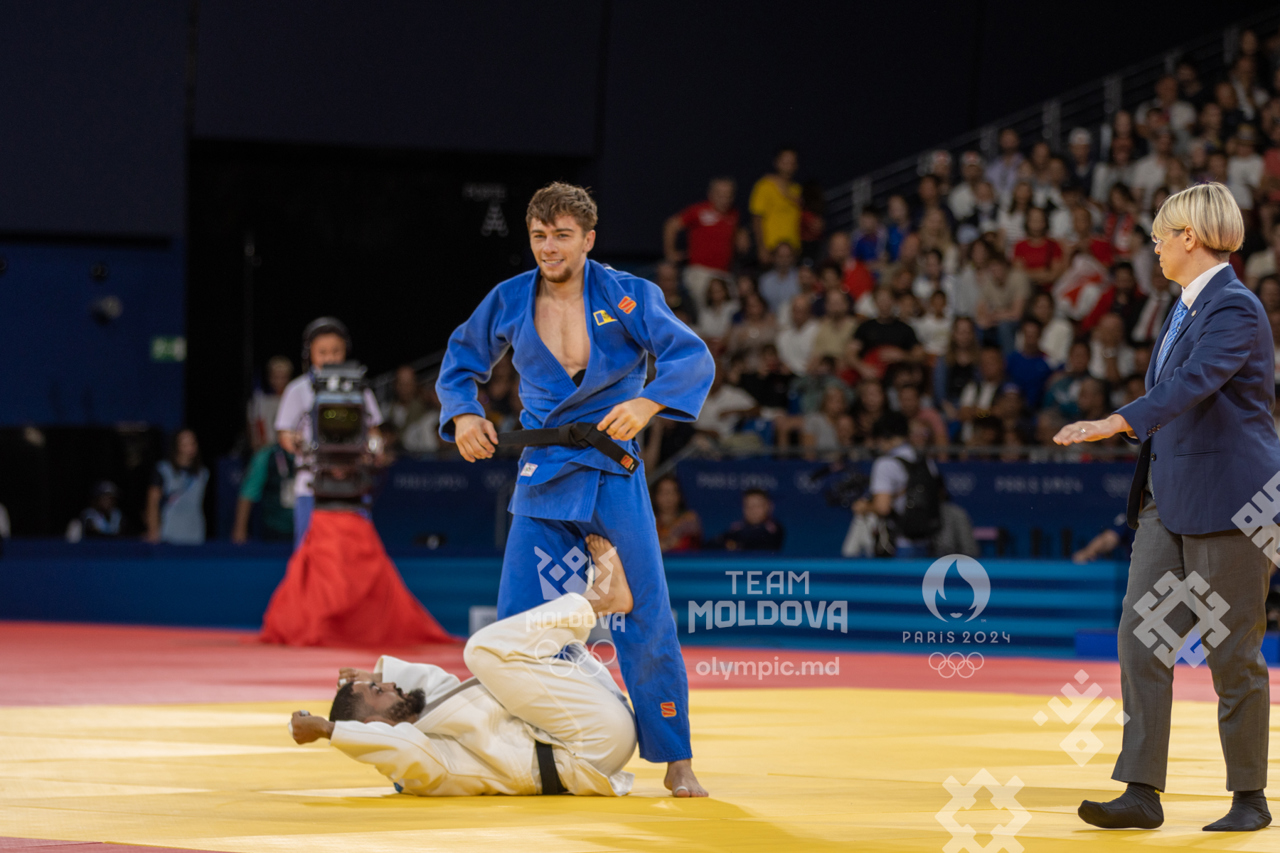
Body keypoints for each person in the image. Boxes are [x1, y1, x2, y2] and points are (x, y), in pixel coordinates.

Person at [436, 182, 713, 797]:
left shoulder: (630, 295)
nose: (549, 247)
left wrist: (647, 401)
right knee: (517, 624)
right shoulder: (509, 299)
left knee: (643, 613)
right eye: (539, 236)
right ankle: (515, 746)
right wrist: (463, 414)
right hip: (543, 473)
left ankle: (676, 759)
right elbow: (460, 361)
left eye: (562, 235)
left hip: (613, 469)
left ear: (589, 239)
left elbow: (691, 358)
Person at [1056, 182, 1278, 832]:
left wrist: (1115, 421)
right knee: (1139, 636)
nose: (1152, 242)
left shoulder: (1234, 306)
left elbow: (1191, 384)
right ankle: (1141, 788)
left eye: (1162, 232)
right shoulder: (1177, 308)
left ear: (1192, 236)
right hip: (1169, 499)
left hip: (1232, 504)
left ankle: (1249, 797)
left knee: (1231, 650)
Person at [289, 539, 638, 796]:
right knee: (483, 652)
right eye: (380, 693)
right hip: (591, 745)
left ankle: (596, 601)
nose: (391, 686)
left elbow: (439, 686)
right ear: (376, 725)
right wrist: (327, 729)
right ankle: (600, 601)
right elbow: (403, 749)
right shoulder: (421, 770)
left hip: (592, 731)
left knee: (513, 655)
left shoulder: (432, 722)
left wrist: (375, 678)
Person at [275, 318, 383, 548]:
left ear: (346, 351)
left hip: (353, 481)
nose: (329, 357)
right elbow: (284, 433)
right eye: (322, 352)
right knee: (309, 551)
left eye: (336, 351)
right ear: (309, 354)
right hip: (311, 484)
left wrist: (375, 448)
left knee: (358, 552)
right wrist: (296, 443)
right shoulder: (297, 389)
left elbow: (374, 431)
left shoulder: (360, 387)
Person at [867, 412, 939, 557]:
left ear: (884, 437)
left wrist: (864, 507)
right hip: (928, 542)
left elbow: (882, 507)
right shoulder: (925, 461)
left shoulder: (885, 464)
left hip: (900, 544)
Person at [664, 177, 738, 310]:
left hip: (725, 274)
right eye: (720, 194)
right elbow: (671, 225)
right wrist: (670, 252)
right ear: (711, 194)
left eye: (728, 195)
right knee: (704, 310)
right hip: (700, 273)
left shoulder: (733, 215)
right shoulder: (699, 211)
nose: (725, 199)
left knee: (732, 309)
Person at [145, 428, 208, 545]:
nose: (190, 447)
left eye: (192, 443)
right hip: (168, 535)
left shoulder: (203, 474)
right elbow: (152, 502)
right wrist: (153, 530)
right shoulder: (163, 470)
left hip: (195, 535)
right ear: (176, 446)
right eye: (185, 443)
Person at [231, 440, 295, 544]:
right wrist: (239, 530)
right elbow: (247, 495)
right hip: (275, 530)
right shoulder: (266, 456)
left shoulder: (314, 455)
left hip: (308, 530)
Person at [749, 147, 802, 264]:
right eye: (785, 161)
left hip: (793, 251)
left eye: (792, 162)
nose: (788, 165)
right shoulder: (764, 186)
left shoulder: (797, 190)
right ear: (776, 162)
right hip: (772, 250)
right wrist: (761, 248)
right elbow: (757, 218)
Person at [708, 488, 784, 551]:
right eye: (748, 506)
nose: (752, 510)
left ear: (768, 506)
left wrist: (737, 544)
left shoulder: (774, 528)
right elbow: (712, 543)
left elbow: (757, 539)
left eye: (756, 506)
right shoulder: (737, 528)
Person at [247, 356, 293, 451]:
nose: (279, 381)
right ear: (270, 377)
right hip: (267, 451)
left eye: (283, 377)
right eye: (276, 377)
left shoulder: (294, 400)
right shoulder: (261, 402)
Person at [651, 476, 701, 553]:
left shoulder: (689, 519)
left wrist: (668, 546)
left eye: (672, 492)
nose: (668, 497)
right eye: (664, 493)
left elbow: (692, 546)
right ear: (655, 496)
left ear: (679, 495)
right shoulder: (648, 522)